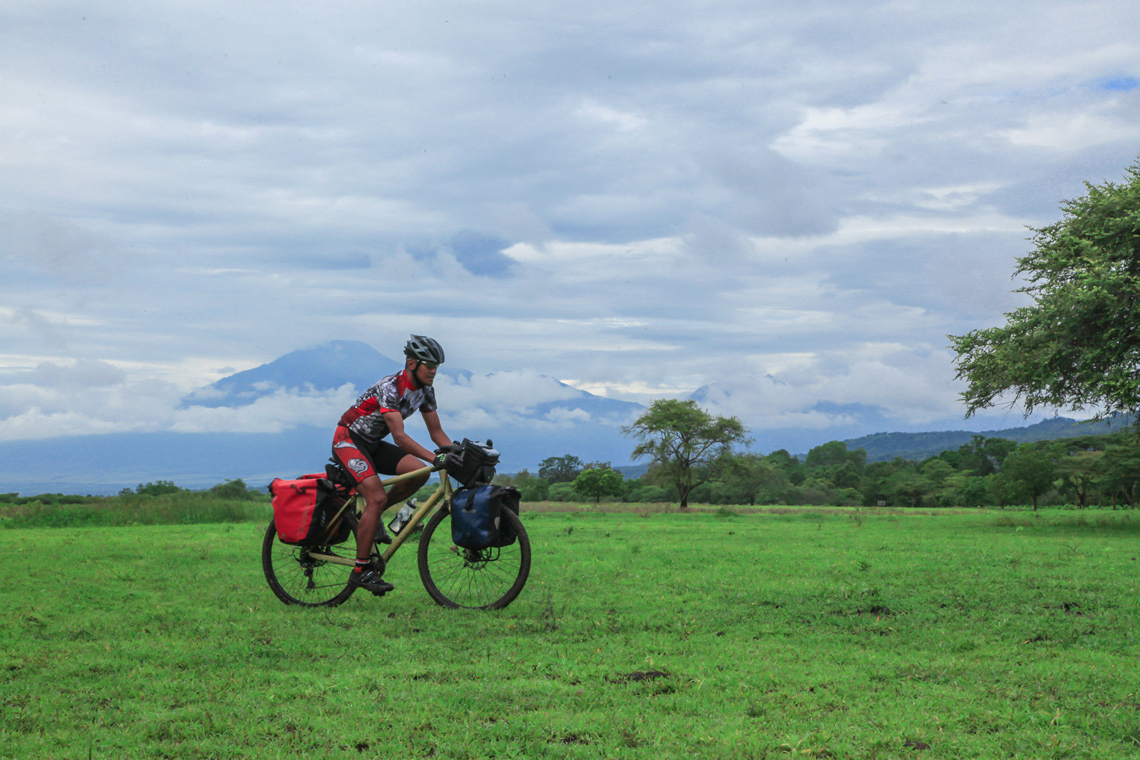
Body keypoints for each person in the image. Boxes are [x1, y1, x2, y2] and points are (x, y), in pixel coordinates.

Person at [332, 334, 453, 593]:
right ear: (412, 363)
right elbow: (399, 437)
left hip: (373, 444)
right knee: (375, 498)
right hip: (349, 440)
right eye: (429, 365)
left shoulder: (426, 391)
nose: (433, 371)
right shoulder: (390, 386)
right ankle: (360, 570)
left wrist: (455, 453)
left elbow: (437, 433)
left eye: (436, 367)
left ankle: (372, 518)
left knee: (420, 472)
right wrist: (436, 458)